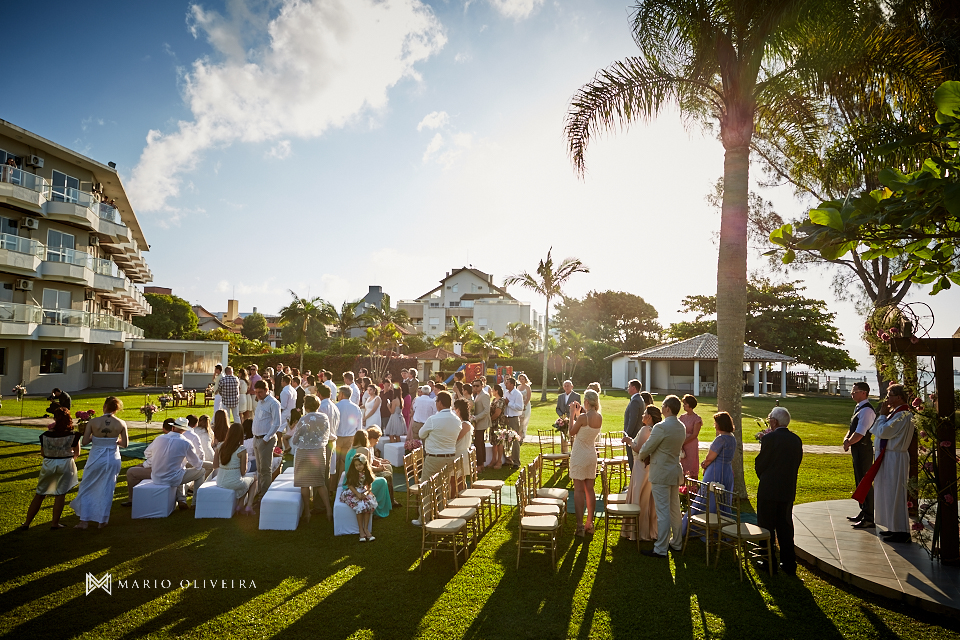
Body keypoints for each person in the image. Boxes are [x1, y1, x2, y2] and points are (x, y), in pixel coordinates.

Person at [755, 406, 804, 574]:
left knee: (766, 526)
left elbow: (761, 463)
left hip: (769, 490)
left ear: (774, 422)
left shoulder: (770, 439)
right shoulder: (796, 439)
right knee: (785, 526)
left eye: (770, 419)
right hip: (787, 488)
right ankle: (789, 563)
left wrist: (765, 476)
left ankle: (768, 561)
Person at [639, 395, 686, 559]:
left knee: (663, 511)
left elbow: (647, 447)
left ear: (667, 408)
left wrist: (641, 456)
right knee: (674, 509)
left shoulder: (661, 427)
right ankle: (677, 542)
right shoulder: (681, 426)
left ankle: (660, 548)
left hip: (661, 472)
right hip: (674, 470)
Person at [19, 408, 82, 530]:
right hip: (66, 463)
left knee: (40, 494)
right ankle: (54, 523)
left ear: (55, 419)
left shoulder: (45, 435)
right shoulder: (73, 435)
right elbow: (77, 453)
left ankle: (27, 523)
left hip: (49, 463)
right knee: (60, 494)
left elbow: (43, 453)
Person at [70, 398, 129, 528]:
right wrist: (113, 441)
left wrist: (96, 438)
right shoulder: (121, 423)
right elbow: (124, 444)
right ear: (116, 408)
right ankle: (102, 520)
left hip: (96, 457)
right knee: (107, 488)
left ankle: (84, 520)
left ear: (104, 406)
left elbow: (85, 442)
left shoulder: (93, 422)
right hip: (113, 458)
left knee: (87, 486)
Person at [870, 384, 913, 544]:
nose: (887, 399)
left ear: (899, 397)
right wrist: (883, 416)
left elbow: (883, 431)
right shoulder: (895, 413)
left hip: (895, 457)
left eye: (890, 395)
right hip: (888, 456)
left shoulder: (903, 415)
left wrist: (881, 415)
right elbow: (877, 430)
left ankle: (901, 531)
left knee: (895, 493)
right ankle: (893, 527)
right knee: (888, 492)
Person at [417, 391, 462, 522]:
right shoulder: (456, 419)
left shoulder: (433, 419)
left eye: (436, 401)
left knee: (426, 487)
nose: (435, 404)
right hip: (449, 457)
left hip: (434, 457)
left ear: (440, 403)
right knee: (443, 486)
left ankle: (424, 518)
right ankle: (441, 514)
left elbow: (421, 434)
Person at [620, 404, 661, 541]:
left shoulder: (645, 429)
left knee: (639, 497)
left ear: (649, 416)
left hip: (640, 467)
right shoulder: (655, 430)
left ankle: (636, 531)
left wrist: (629, 441)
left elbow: (638, 449)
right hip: (649, 468)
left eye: (644, 413)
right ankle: (647, 529)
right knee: (647, 498)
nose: (642, 415)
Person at [292, 395, 332, 522]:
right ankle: (329, 511)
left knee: (304, 483)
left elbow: (295, 439)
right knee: (320, 482)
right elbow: (326, 435)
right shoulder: (324, 418)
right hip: (319, 452)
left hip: (304, 452)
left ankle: (307, 513)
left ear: (306, 406)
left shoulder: (303, 420)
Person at [569, 389, 603, 536]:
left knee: (578, 490)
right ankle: (590, 523)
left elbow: (572, 431)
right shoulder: (599, 417)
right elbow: (584, 428)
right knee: (590, 489)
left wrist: (572, 414)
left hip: (580, 454)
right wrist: (578, 415)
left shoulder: (583, 417)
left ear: (587, 402)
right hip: (591, 454)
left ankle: (580, 526)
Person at [843, 381, 876, 529]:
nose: (852, 393)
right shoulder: (859, 408)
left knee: (865, 482)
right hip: (857, 449)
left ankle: (869, 517)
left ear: (864, 393)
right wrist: (846, 439)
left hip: (864, 450)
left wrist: (849, 442)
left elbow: (860, 433)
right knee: (859, 480)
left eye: (855, 391)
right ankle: (863, 511)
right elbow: (852, 429)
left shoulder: (867, 411)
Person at [343, 431, 391, 518]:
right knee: (383, 481)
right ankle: (378, 510)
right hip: (357, 484)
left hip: (347, 483)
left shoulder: (350, 449)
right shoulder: (364, 450)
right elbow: (368, 469)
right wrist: (379, 469)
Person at [697, 412, 737, 516]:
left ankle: (708, 519)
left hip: (716, 470)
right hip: (727, 469)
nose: (714, 425)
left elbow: (710, 457)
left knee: (708, 496)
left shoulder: (721, 439)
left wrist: (704, 464)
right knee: (724, 498)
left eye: (715, 423)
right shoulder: (732, 438)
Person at [215, 422, 258, 515]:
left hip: (220, 481)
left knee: (246, 481)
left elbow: (215, 466)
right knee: (254, 478)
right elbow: (243, 471)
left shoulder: (220, 446)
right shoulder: (241, 449)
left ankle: (240, 504)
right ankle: (249, 505)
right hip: (234, 482)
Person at [251, 379, 282, 503]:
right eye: (256, 392)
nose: (258, 395)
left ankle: (264, 496)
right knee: (259, 469)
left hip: (265, 439)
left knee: (265, 469)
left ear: (267, 390)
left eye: (260, 392)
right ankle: (260, 493)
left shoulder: (273, 403)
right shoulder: (260, 402)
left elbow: (277, 423)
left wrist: (266, 438)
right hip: (256, 438)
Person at [166, 418, 207, 508]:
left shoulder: (160, 439)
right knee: (201, 470)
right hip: (176, 472)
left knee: (181, 468)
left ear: (173, 428)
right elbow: (198, 461)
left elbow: (148, 454)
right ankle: (195, 502)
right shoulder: (186, 442)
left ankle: (182, 498)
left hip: (159, 474)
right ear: (184, 430)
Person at [340, 452, 378, 542]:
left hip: (363, 491)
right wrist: (357, 494)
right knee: (360, 506)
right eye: (356, 465)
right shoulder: (353, 473)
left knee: (368, 504)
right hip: (354, 492)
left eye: (360, 465)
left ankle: (366, 529)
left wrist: (366, 493)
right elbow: (350, 485)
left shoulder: (367, 473)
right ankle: (361, 529)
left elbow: (369, 486)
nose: (358, 467)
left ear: (364, 464)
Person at [366, 426, 402, 508]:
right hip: (369, 472)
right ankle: (389, 500)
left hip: (372, 467)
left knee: (388, 467)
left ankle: (391, 498)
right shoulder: (366, 448)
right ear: (371, 438)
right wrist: (379, 468)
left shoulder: (371, 446)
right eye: (377, 439)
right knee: (387, 475)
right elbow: (368, 465)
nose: (377, 442)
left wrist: (381, 461)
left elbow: (373, 458)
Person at [335, 386, 364, 480]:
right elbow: (359, 427)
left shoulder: (336, 406)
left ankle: (332, 486)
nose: (338, 396)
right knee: (345, 462)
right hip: (351, 437)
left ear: (342, 394)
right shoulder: (356, 408)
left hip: (337, 437)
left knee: (335, 462)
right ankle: (342, 482)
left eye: (339, 393)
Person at [622, 379, 646, 470]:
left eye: (629, 386)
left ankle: (634, 481)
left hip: (633, 435)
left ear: (634, 388)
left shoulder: (635, 401)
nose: (628, 388)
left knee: (632, 460)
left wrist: (627, 435)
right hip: (636, 433)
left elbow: (633, 419)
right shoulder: (639, 399)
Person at [503, 377, 525, 469]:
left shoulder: (517, 394)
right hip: (506, 418)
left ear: (512, 384)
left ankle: (516, 461)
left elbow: (520, 407)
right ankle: (508, 459)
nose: (506, 384)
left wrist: (509, 403)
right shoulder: (506, 393)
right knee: (505, 438)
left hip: (514, 418)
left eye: (507, 383)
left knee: (515, 439)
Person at [679, 394, 703, 479]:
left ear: (690, 405)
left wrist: (683, 441)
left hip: (691, 444)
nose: (683, 405)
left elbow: (694, 434)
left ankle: (693, 486)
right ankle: (682, 486)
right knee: (682, 464)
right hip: (682, 442)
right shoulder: (681, 417)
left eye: (685, 404)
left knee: (691, 464)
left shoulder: (697, 419)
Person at [453, 398, 475, 478]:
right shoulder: (461, 423)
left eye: (454, 409)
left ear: (458, 410)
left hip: (461, 454)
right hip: (458, 454)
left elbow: (457, 438)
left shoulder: (465, 424)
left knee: (457, 479)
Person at [471, 379, 491, 469]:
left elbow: (487, 410)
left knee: (478, 443)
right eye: (474, 386)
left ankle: (480, 465)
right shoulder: (477, 394)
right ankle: (481, 463)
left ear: (482, 385)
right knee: (480, 443)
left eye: (477, 386)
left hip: (481, 422)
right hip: (478, 422)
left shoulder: (485, 395)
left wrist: (476, 417)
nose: (475, 387)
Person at [488, 384, 508, 470]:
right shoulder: (494, 400)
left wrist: (490, 420)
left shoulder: (501, 401)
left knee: (499, 442)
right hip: (493, 424)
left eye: (493, 390)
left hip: (499, 424)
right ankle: (493, 459)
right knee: (494, 442)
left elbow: (497, 413)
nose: (492, 391)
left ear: (496, 391)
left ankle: (499, 460)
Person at [517, 373, 533, 438]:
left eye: (522, 379)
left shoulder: (527, 387)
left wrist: (525, 405)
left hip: (526, 405)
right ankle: (519, 433)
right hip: (519, 405)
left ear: (525, 379)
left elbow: (529, 397)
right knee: (519, 419)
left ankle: (523, 433)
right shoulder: (518, 387)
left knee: (525, 419)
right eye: (520, 379)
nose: (521, 380)